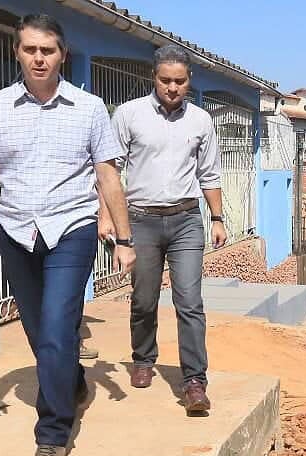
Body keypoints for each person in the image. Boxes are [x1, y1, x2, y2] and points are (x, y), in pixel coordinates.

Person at [0, 14, 134, 456]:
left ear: (62, 55)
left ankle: (53, 434)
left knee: (58, 329)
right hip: (15, 231)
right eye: (30, 50)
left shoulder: (90, 108)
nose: (39, 58)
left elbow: (108, 176)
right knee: (41, 336)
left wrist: (124, 237)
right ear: (18, 52)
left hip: (71, 229)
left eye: (48, 50)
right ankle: (72, 379)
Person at [112, 45, 224, 415]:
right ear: (153, 78)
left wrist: (219, 218)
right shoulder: (129, 115)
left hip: (186, 221)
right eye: (165, 80)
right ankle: (143, 358)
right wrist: (107, 217)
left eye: (180, 81)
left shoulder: (201, 121)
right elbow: (109, 171)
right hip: (141, 220)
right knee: (144, 299)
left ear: (189, 80)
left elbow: (209, 174)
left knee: (189, 302)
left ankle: (195, 381)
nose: (172, 87)